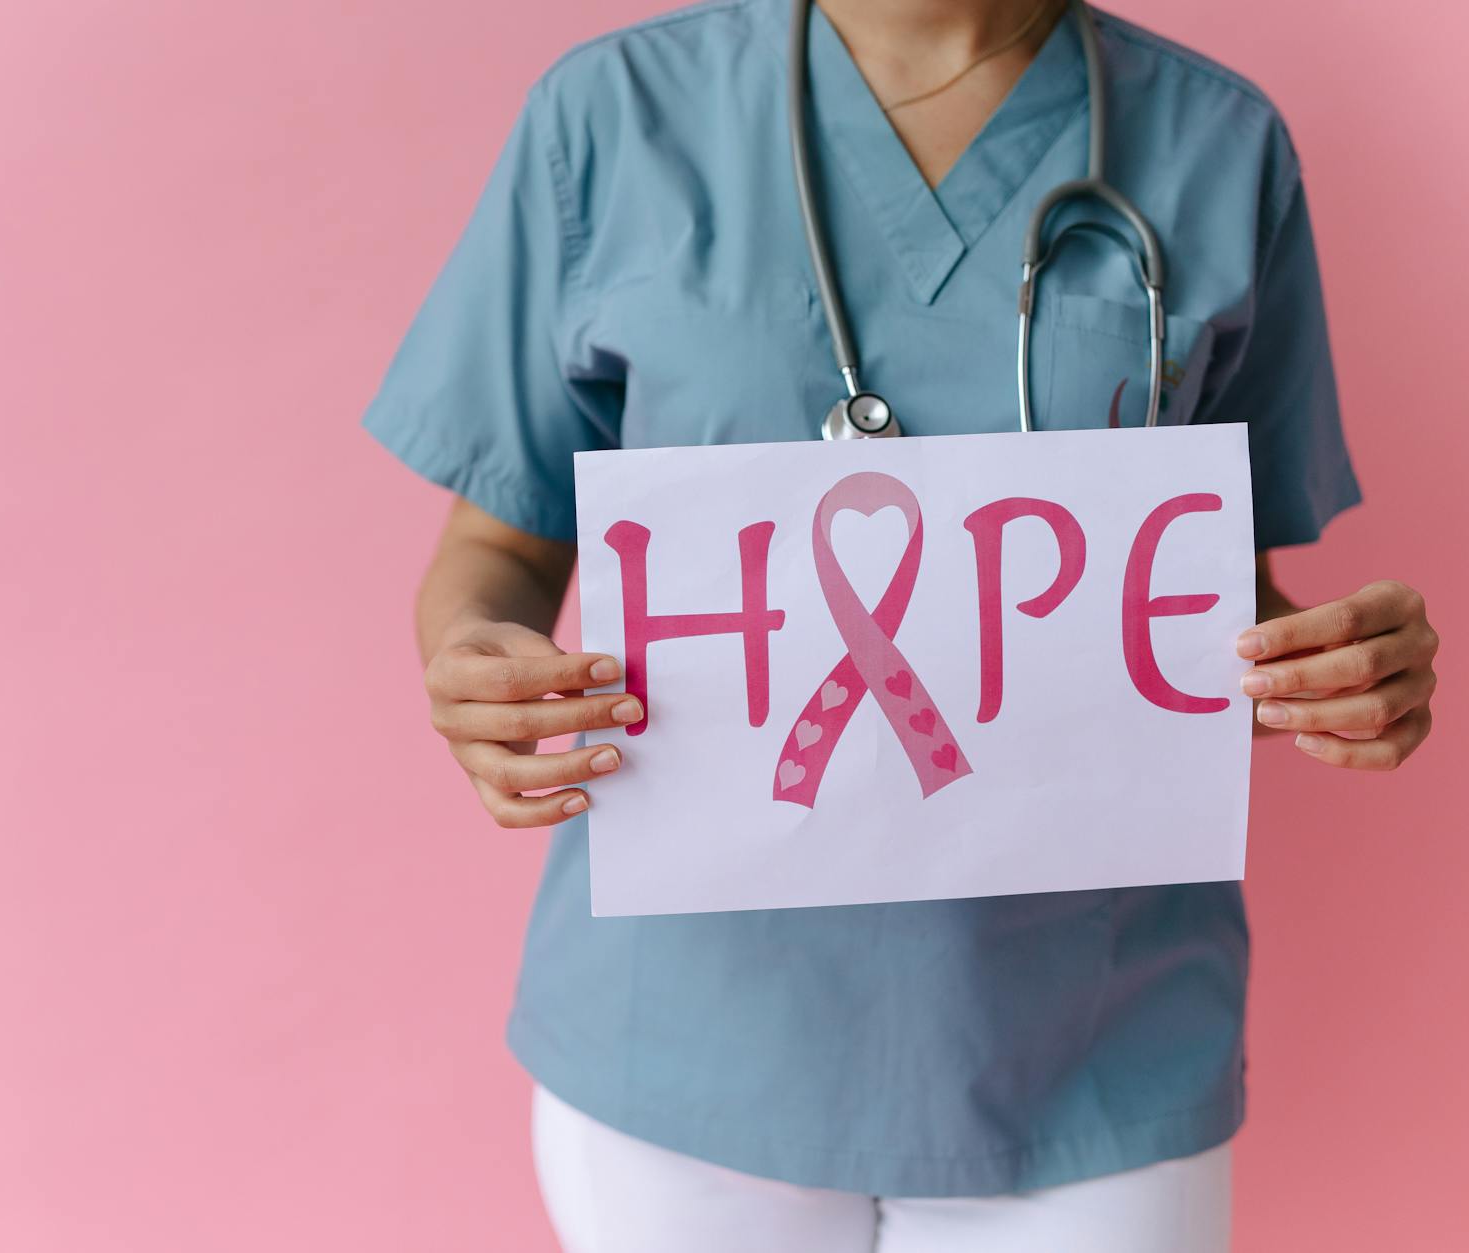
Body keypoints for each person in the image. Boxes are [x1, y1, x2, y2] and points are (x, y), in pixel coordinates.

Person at [360, 0, 1441, 1248]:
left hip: (1087, 1045)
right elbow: (495, 547)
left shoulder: (1215, 143)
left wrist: (1332, 670)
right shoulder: (612, 118)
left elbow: (1203, 598)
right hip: (685, 1036)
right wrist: (472, 659)